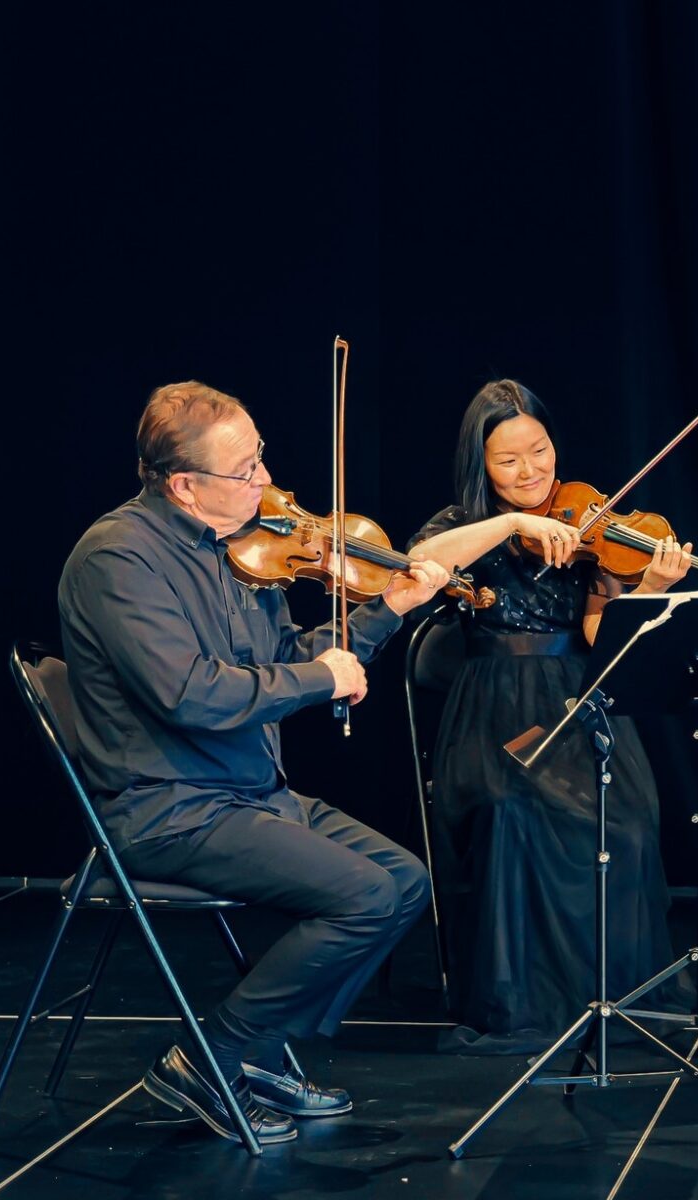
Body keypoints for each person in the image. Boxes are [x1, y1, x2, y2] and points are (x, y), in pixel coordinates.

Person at [58, 381, 449, 1146]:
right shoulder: (118, 559)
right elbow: (189, 695)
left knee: (404, 880)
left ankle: (255, 1054)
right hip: (168, 808)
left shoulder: (234, 552)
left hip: (246, 791)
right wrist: (319, 678)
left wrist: (385, 613)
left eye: (260, 458)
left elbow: (281, 659)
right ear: (184, 486)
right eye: (245, 471)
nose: (265, 481)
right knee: (365, 895)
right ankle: (214, 1058)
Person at [407, 379, 689, 1053]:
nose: (531, 471)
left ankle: (613, 992)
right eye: (510, 460)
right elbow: (416, 568)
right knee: (509, 812)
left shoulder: (586, 525)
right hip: (492, 704)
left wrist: (648, 587)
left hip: (576, 698)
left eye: (539, 450)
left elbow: (599, 638)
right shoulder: (458, 528)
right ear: (482, 467)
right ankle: (517, 1001)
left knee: (628, 821)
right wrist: (511, 524)